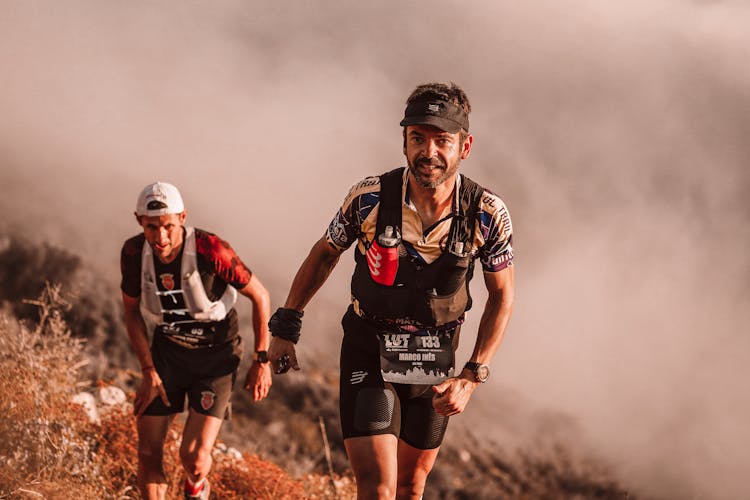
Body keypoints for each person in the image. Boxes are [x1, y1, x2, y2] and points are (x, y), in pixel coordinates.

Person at [268, 82, 515, 499]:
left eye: (443, 141)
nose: (429, 152)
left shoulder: (486, 213)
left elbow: (502, 295)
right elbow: (325, 253)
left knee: (410, 487)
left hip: (435, 359)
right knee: (378, 489)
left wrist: (472, 376)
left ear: (465, 146)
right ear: (403, 141)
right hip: (369, 347)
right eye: (418, 138)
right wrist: (286, 324)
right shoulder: (368, 198)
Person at [120, 181, 272, 500]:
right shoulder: (134, 253)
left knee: (195, 459)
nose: (160, 237)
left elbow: (260, 295)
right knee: (148, 455)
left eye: (168, 226)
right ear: (138, 221)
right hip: (167, 355)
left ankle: (197, 488)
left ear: (183, 218)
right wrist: (148, 371)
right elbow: (131, 312)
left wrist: (262, 360)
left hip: (216, 358)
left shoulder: (210, 249)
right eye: (151, 227)